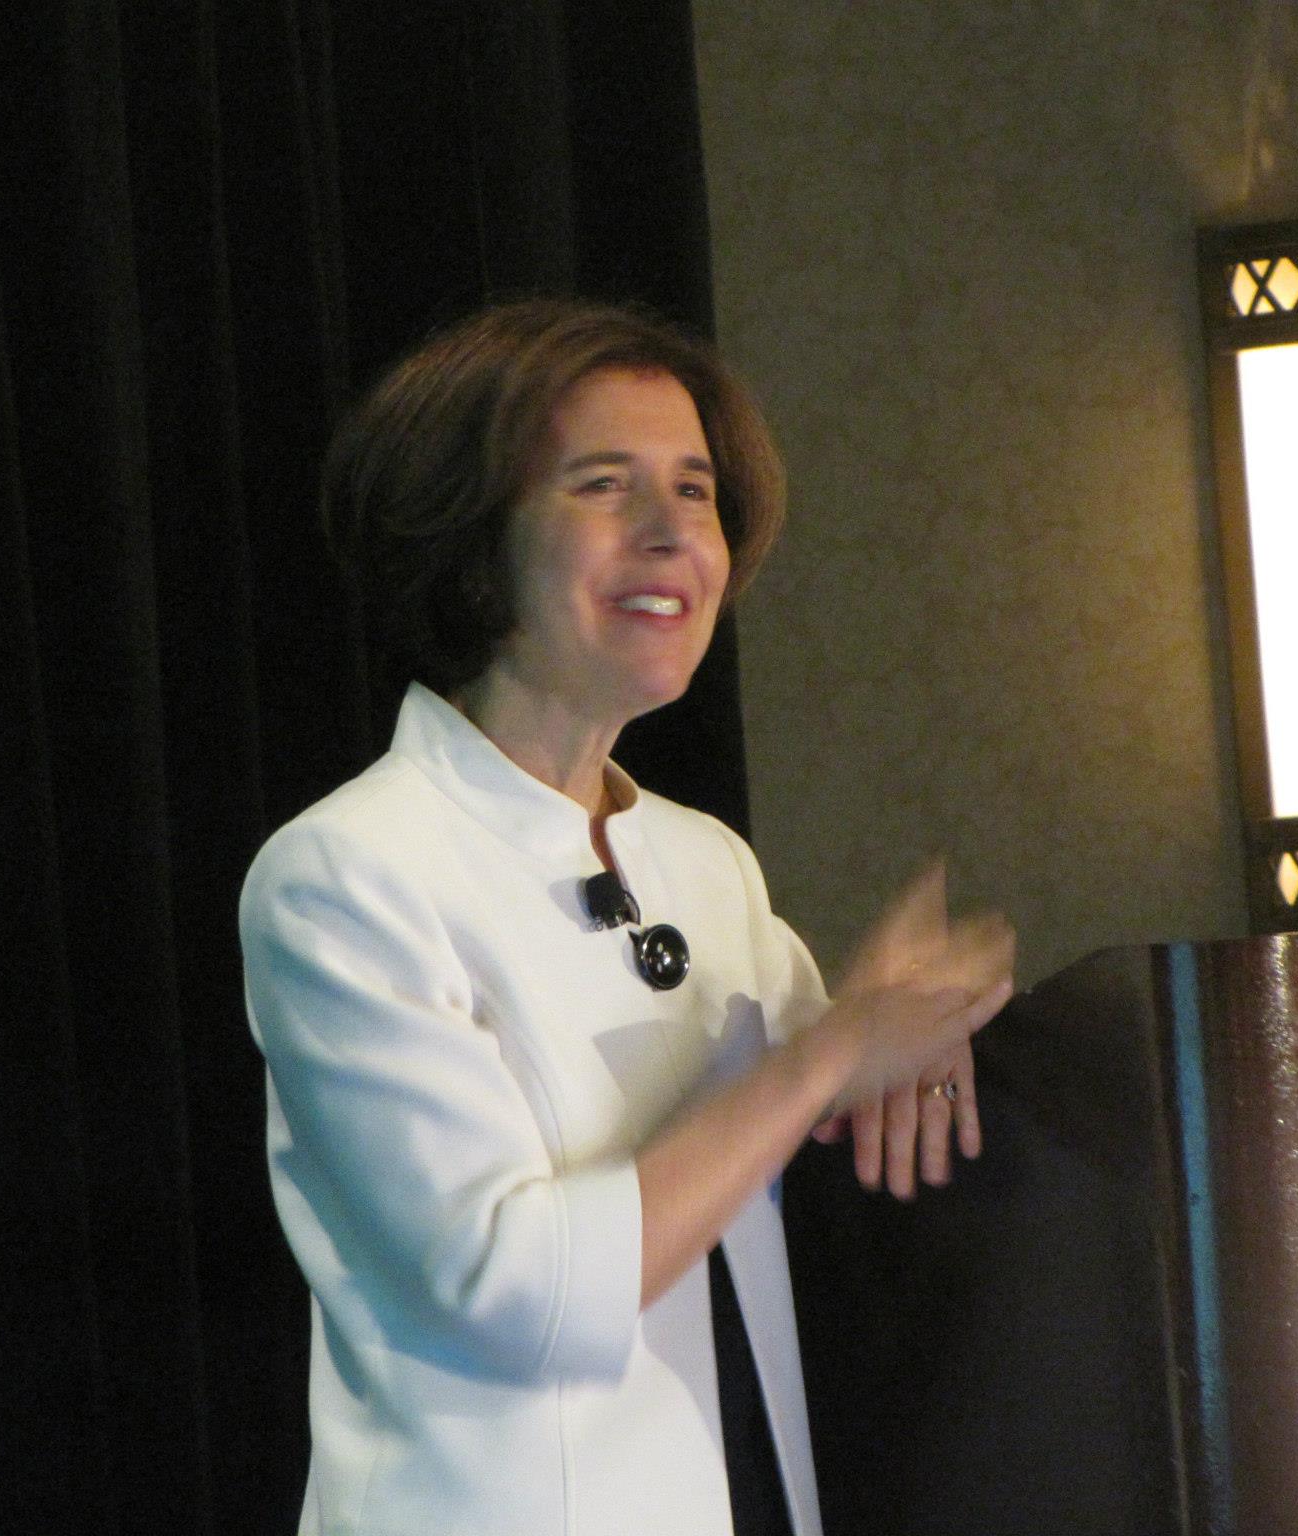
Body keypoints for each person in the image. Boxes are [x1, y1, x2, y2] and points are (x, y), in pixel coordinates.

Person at [239, 298, 1016, 1536]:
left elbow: (842, 1098)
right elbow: (514, 1294)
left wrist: (919, 1048)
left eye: (694, 492)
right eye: (604, 485)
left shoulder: (704, 865)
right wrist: (826, 1056)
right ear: (471, 540)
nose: (670, 533)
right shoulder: (345, 874)